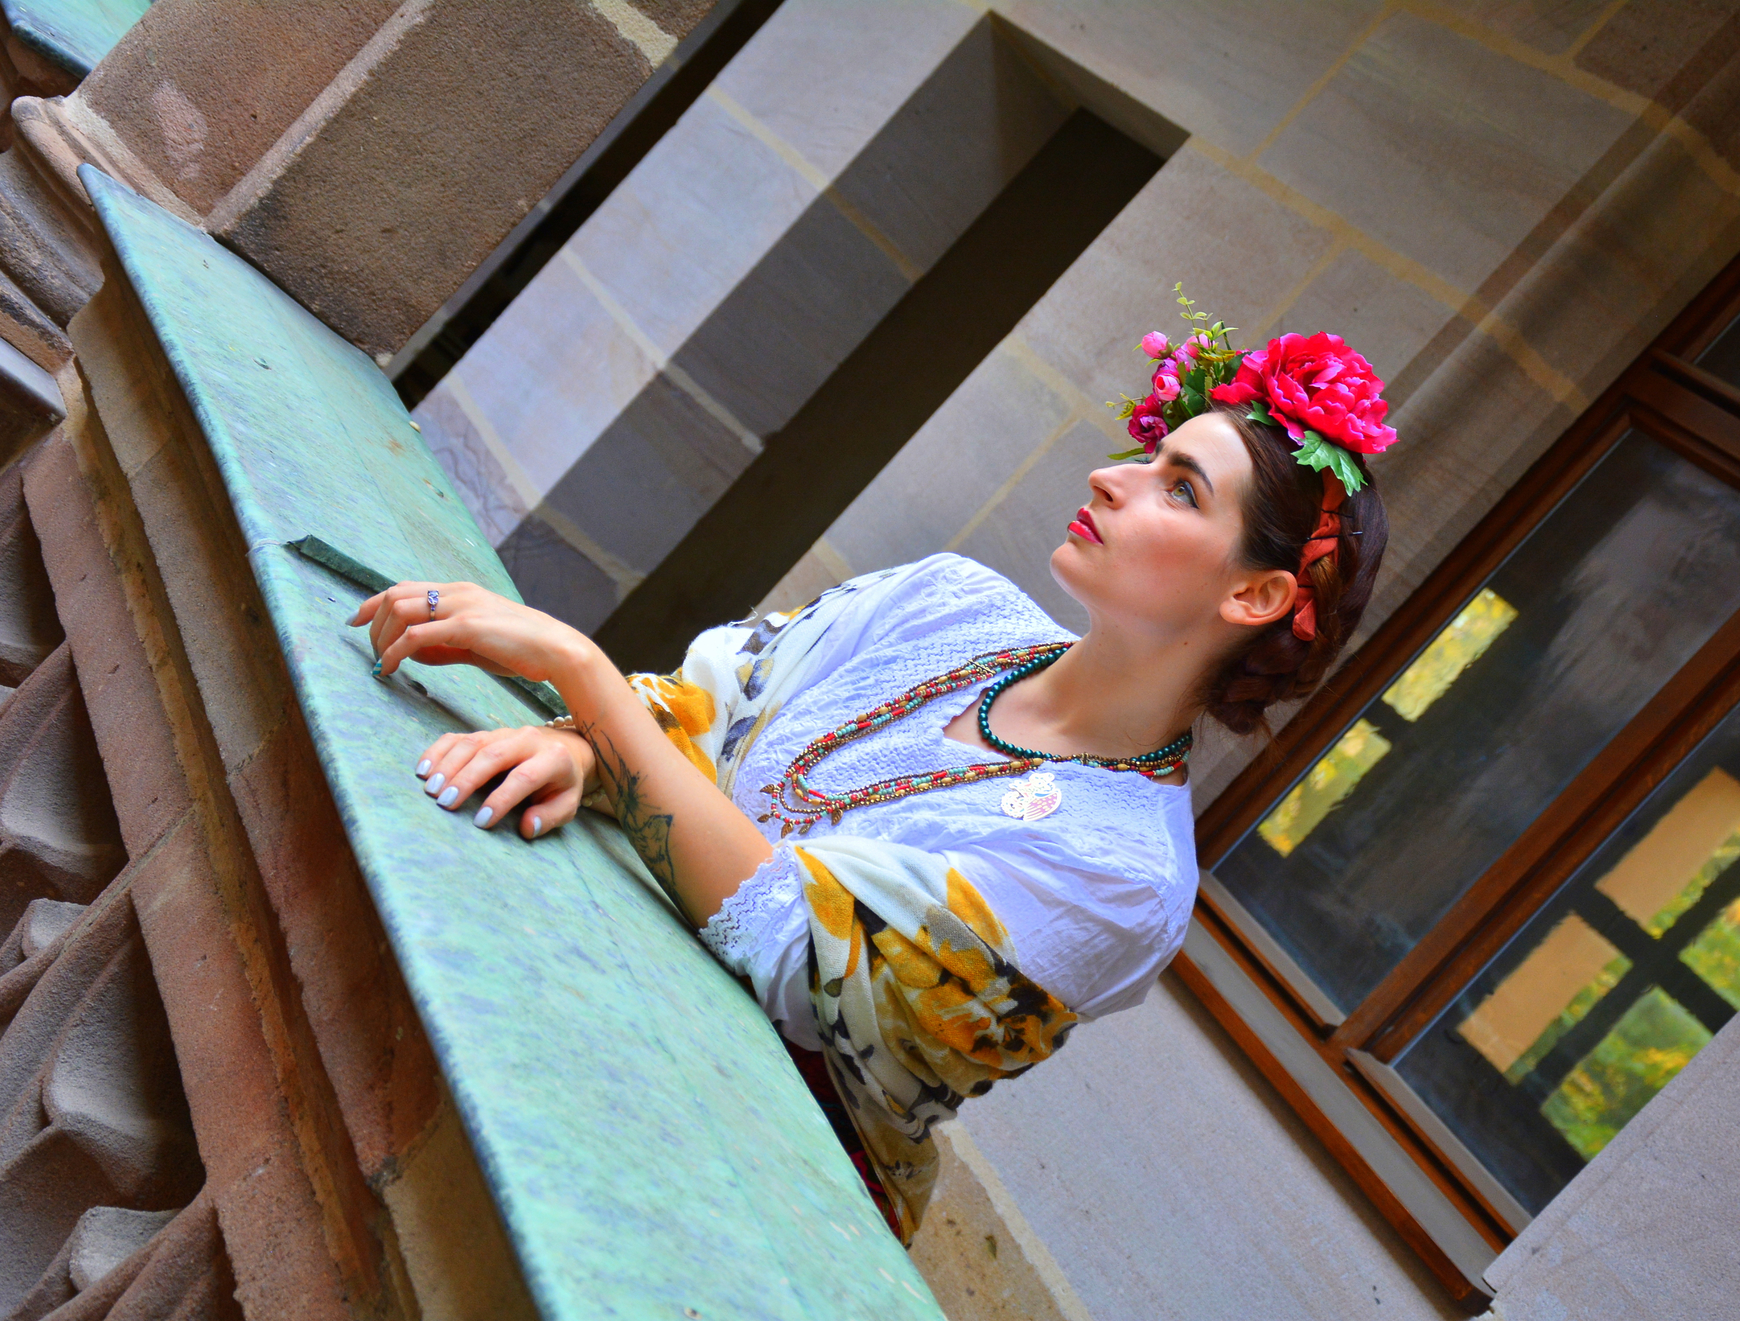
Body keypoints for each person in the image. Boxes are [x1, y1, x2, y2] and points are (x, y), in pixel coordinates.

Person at [350, 304, 1395, 1239]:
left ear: (1256, 596)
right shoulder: (950, 603)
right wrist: (591, 747)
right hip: (584, 965)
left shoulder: (1122, 874)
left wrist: (581, 677)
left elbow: (796, 958)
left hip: (736, 1183)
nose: (1109, 477)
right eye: (1150, 453)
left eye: (1180, 488)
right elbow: (706, 704)